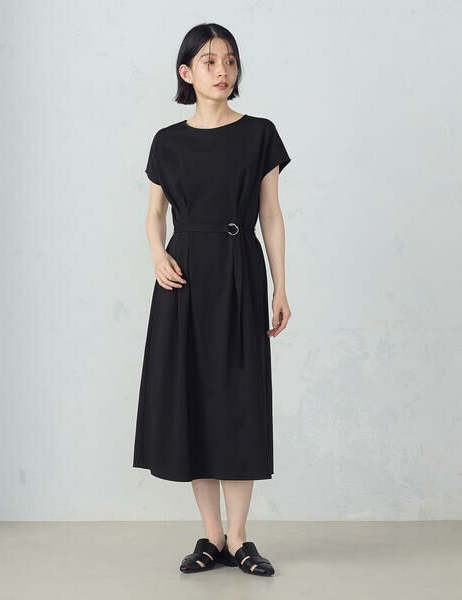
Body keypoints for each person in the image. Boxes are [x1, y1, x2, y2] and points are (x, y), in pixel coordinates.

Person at [133, 23, 293, 577]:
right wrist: (157, 254)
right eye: (208, 61)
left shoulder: (259, 134)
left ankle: (241, 539)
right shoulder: (167, 141)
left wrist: (281, 286)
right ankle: (212, 537)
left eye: (229, 60)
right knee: (194, 399)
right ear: (187, 73)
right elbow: (154, 213)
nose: (221, 70)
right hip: (184, 278)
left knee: (239, 399)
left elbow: (271, 214)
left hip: (239, 272)